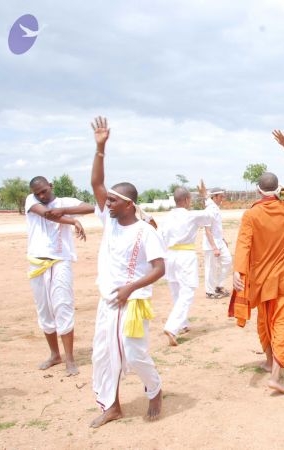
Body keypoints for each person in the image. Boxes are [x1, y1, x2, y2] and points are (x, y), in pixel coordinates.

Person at [89, 116, 166, 427]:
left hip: (133, 303)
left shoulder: (146, 232)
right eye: (107, 200)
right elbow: (96, 183)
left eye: (113, 200)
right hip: (108, 301)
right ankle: (112, 406)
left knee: (133, 355)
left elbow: (160, 269)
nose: (107, 203)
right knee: (104, 356)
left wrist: (130, 288)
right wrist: (100, 148)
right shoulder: (109, 222)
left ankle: (155, 389)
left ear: (129, 204)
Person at [229, 130, 284, 395]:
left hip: (261, 280)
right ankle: (275, 375)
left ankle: (269, 359)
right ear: (277, 190)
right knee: (282, 322)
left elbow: (243, 244)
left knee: (265, 319)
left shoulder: (251, 214)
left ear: (258, 190)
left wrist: (238, 271)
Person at [25, 175, 94, 376]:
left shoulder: (65, 202)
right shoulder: (32, 201)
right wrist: (72, 220)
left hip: (61, 261)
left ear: (51, 186)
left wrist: (65, 210)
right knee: (44, 310)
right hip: (37, 262)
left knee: (63, 306)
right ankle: (55, 354)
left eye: (44, 191)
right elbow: (47, 215)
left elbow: (90, 207)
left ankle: (69, 358)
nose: (41, 195)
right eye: (37, 193)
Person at [160, 181, 212, 346]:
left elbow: (159, 238)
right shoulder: (191, 216)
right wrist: (206, 196)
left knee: (176, 291)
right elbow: (212, 214)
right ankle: (172, 326)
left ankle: (182, 324)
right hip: (185, 256)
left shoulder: (166, 218)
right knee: (187, 292)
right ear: (187, 199)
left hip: (169, 256)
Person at [202, 187, 232, 299]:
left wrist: (222, 239)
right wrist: (214, 247)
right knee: (211, 268)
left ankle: (218, 286)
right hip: (211, 245)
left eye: (223, 196)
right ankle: (210, 291)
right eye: (220, 196)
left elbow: (216, 228)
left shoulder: (215, 207)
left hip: (219, 242)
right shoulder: (209, 210)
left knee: (227, 261)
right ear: (214, 197)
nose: (222, 199)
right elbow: (208, 230)